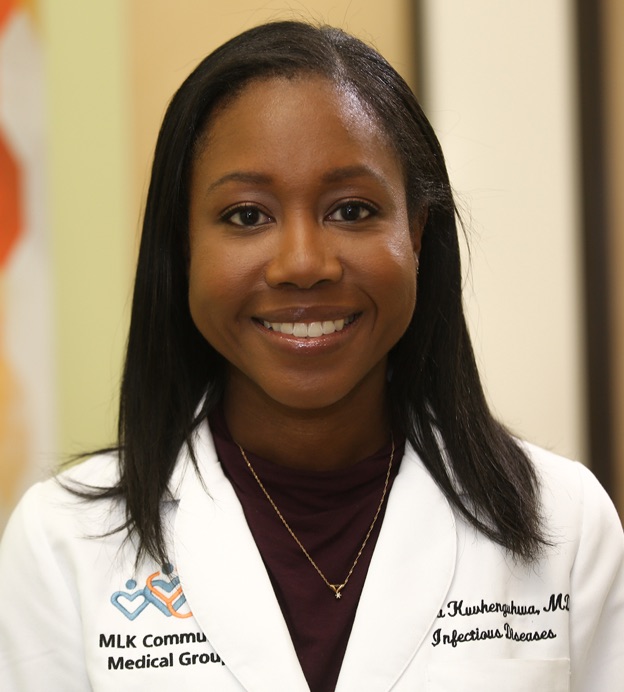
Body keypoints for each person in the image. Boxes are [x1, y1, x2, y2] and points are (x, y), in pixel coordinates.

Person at [0, 20, 622, 692]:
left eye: (352, 210)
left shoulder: (564, 523)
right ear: (183, 246)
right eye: (247, 215)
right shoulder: (63, 542)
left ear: (417, 231)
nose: (303, 264)